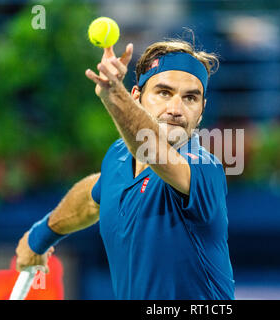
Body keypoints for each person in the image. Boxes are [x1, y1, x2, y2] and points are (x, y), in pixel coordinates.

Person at [15, 39, 235, 299]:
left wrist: (112, 93)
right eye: (164, 93)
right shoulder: (118, 156)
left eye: (190, 98)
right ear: (137, 98)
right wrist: (40, 236)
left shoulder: (204, 168)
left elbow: (153, 150)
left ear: (201, 111)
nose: (176, 110)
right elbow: (91, 197)